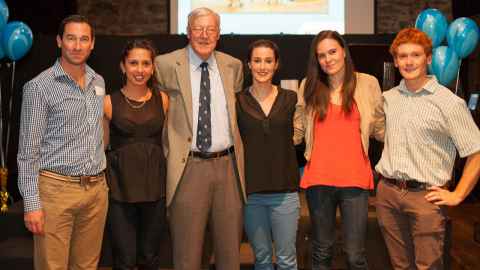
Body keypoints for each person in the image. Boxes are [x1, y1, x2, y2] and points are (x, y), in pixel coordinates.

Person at [375, 27, 480, 270]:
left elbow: (476, 151)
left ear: (429, 59)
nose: (409, 61)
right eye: (402, 56)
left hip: (426, 199)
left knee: (428, 266)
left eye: (416, 55)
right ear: (395, 61)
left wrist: (458, 194)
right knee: (399, 266)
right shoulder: (389, 98)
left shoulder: (450, 103)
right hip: (388, 194)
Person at [154, 7, 245, 270]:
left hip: (228, 168)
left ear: (219, 34)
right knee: (187, 256)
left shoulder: (233, 66)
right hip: (188, 168)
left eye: (211, 29)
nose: (204, 35)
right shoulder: (165, 64)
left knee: (230, 255)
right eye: (198, 28)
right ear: (187, 31)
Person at [17, 15, 108, 270]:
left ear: (92, 44)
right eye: (70, 38)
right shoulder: (39, 87)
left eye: (83, 39)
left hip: (95, 191)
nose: (77, 46)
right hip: (55, 192)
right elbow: (27, 152)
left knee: (87, 266)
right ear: (59, 42)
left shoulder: (98, 82)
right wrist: (32, 204)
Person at [298, 30, 384, 270]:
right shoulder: (308, 86)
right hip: (318, 181)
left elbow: (381, 128)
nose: (328, 59)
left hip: (355, 181)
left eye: (333, 51)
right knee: (321, 249)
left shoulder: (367, 83)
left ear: (344, 51)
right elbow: (297, 129)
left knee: (355, 254)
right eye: (322, 55)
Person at [236, 39, 303, 270]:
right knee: (262, 260)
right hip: (251, 194)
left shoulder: (291, 98)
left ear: (276, 65)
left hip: (285, 193)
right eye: (257, 60)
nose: (262, 66)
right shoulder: (237, 100)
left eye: (268, 61)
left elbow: (301, 137)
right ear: (249, 65)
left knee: (286, 260)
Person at [103, 39, 168, 270]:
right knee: (124, 260)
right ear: (123, 66)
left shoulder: (164, 100)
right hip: (120, 190)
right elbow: (102, 146)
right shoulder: (108, 102)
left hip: (156, 189)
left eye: (145, 63)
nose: (140, 70)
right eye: (133, 63)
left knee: (150, 257)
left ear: (152, 67)